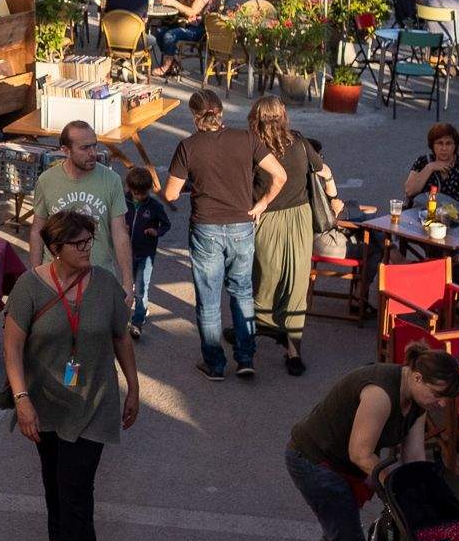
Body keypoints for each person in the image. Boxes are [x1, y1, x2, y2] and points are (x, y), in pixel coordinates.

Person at [278, 344, 459, 541]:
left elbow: (414, 457)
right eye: (438, 394)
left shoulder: (417, 402)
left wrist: (420, 492)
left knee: (335, 537)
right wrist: (392, 485)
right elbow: (360, 453)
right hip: (314, 461)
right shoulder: (380, 393)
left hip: (339, 464)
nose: (442, 404)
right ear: (417, 378)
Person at [2, 208, 142, 541]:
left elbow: (121, 338)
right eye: (78, 244)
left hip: (93, 404)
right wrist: (22, 399)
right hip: (44, 401)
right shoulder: (30, 287)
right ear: (56, 249)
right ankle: (57, 534)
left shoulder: (106, 286)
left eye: (89, 242)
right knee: (52, 473)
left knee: (77, 488)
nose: (87, 250)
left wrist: (133, 386)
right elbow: (12, 348)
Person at [162, 88, 289, 381]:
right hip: (242, 224)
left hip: (206, 226)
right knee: (242, 292)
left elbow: (170, 193)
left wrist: (195, 185)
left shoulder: (188, 146)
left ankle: (215, 364)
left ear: (195, 117)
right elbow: (280, 175)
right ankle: (246, 358)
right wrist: (262, 203)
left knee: (208, 298)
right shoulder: (247, 139)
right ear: (221, 112)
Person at [248, 96, 342, 377]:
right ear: (283, 116)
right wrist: (334, 198)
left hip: (267, 220)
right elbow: (325, 170)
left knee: (264, 278)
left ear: (256, 119)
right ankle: (293, 351)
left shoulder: (253, 148)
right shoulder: (300, 142)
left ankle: (252, 335)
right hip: (300, 219)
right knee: (297, 282)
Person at [31, 121, 136, 300]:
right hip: (57, 281)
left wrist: (127, 282)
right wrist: (34, 277)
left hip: (99, 279)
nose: (93, 153)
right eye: (85, 148)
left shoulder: (112, 180)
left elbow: (120, 233)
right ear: (66, 150)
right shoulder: (46, 181)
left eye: (94, 145)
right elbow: (37, 230)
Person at [124, 164, 171, 338]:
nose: (139, 197)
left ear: (149, 190)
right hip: (127, 252)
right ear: (130, 189)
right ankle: (124, 316)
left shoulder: (154, 207)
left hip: (146, 253)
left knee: (141, 288)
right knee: (126, 285)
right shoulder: (123, 201)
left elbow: (166, 224)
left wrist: (156, 232)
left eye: (143, 194)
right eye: (136, 193)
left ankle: (137, 321)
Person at [403, 123, 459, 217]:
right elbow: (409, 191)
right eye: (439, 143)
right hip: (421, 214)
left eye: (448, 143)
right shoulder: (423, 161)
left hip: (452, 218)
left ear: (455, 146)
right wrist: (430, 167)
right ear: (432, 145)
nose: (444, 148)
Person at [152, 0, 215, 77]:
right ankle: (173, 62)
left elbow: (192, 11)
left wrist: (172, 2)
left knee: (169, 35)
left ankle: (166, 67)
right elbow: (181, 6)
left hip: (199, 29)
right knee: (159, 31)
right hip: (187, 25)